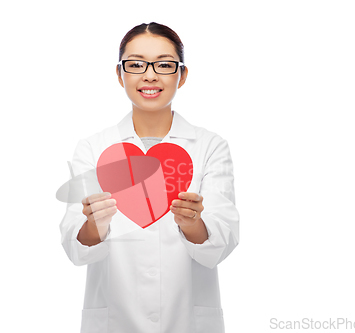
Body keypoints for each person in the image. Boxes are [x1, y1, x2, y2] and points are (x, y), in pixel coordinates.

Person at [60, 22, 239, 333]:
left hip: (187, 320)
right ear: (120, 74)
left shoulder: (210, 147)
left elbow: (222, 240)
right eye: (136, 64)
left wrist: (192, 223)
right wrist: (94, 224)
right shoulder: (93, 148)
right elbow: (75, 246)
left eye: (165, 64)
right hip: (115, 319)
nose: (150, 74)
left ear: (182, 75)